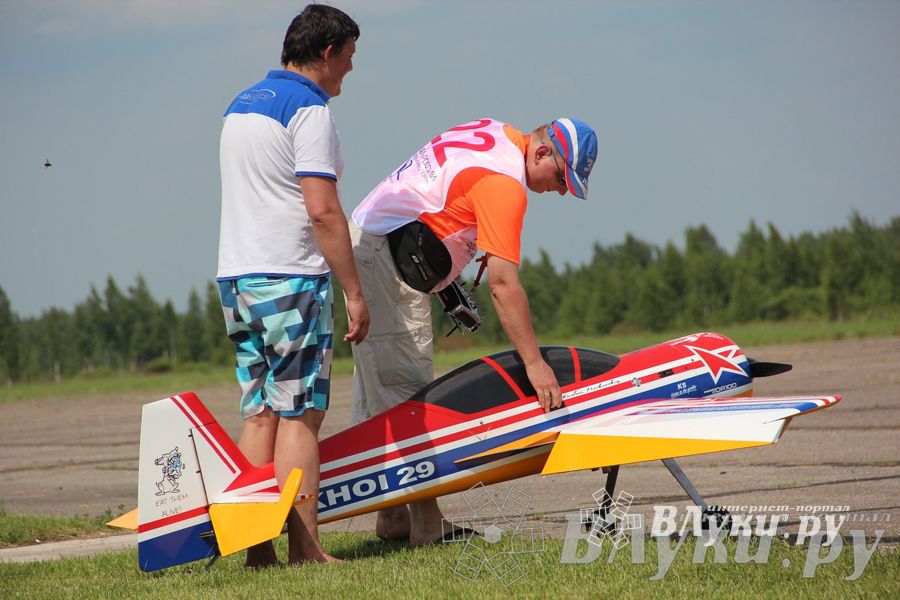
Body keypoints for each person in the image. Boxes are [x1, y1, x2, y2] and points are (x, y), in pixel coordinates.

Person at [349, 117, 597, 544]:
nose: (560, 190)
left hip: (378, 240)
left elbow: (438, 202)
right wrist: (535, 364)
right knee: (406, 389)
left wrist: (446, 285)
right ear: (541, 152)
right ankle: (427, 527)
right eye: (561, 177)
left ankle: (392, 517)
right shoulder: (506, 186)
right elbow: (503, 284)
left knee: (377, 393)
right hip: (388, 256)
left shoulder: (494, 130)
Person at [216, 5, 369, 566]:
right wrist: (353, 290)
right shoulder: (309, 109)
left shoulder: (241, 103)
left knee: (258, 411)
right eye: (349, 58)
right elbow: (323, 212)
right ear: (326, 52)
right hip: (289, 275)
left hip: (236, 275)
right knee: (301, 412)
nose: (350, 71)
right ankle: (306, 549)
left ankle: (259, 552)